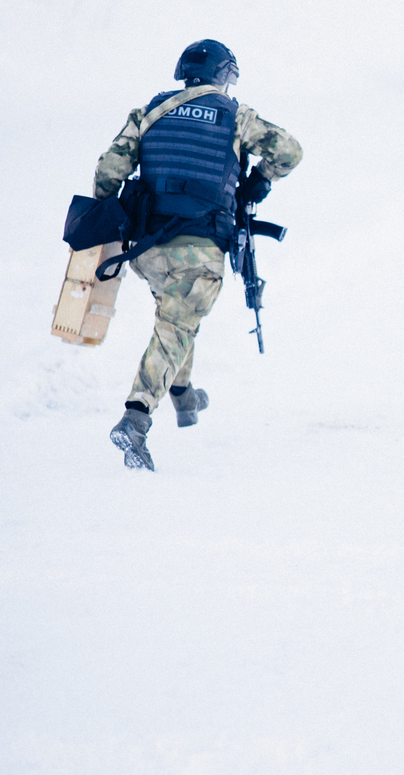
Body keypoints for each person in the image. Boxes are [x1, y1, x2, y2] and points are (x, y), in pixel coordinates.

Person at [93, 39, 303, 471]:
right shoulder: (235, 115)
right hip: (200, 248)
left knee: (175, 318)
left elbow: (108, 171)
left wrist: (102, 223)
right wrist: (259, 182)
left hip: (147, 250)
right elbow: (289, 151)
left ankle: (184, 396)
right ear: (225, 76)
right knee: (175, 326)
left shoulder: (149, 111)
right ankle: (136, 417)